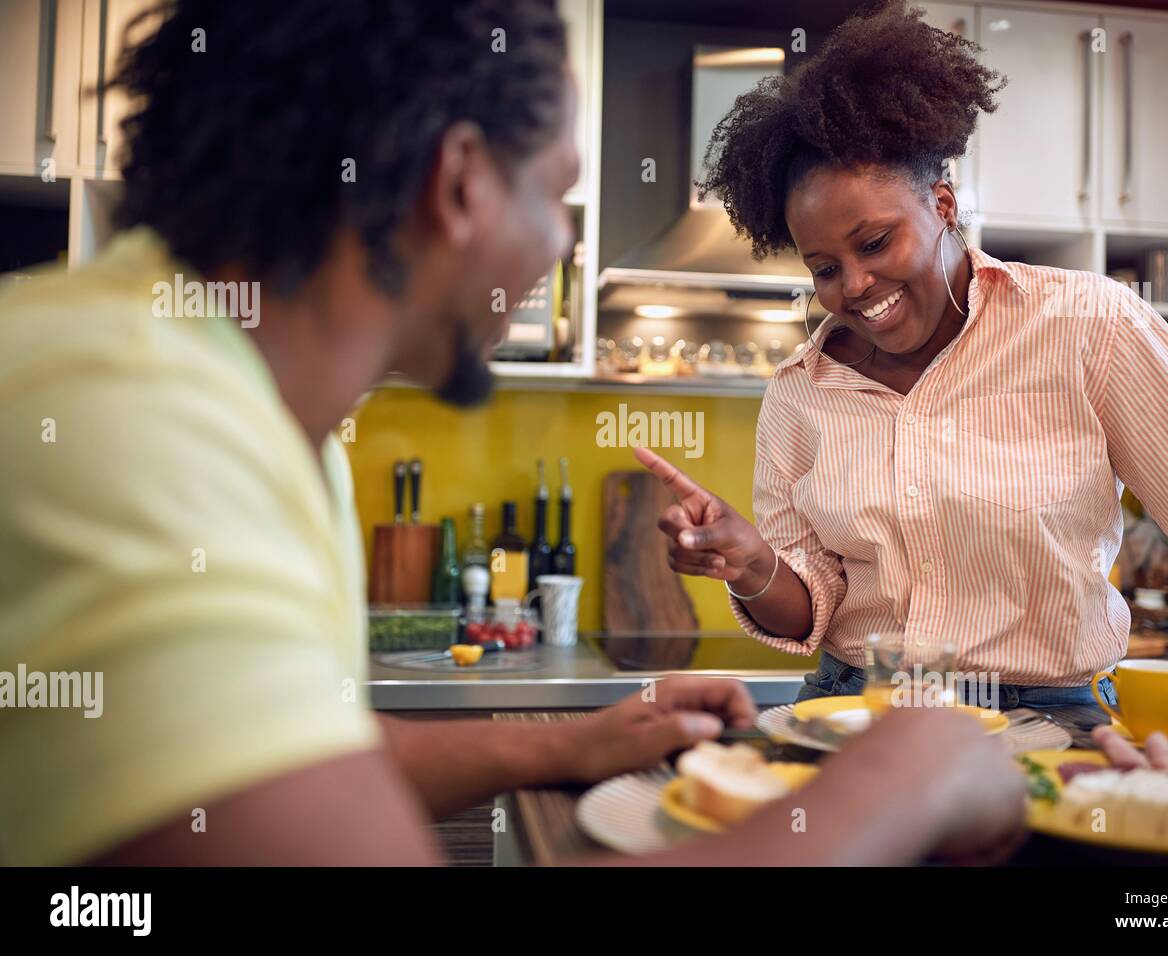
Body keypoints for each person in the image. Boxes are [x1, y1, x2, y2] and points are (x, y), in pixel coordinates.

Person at [0, 0, 1027, 867]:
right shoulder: (136, 420)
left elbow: (300, 745)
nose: (558, 247)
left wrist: (578, 741)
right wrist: (907, 774)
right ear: (459, 186)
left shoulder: (228, 394)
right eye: (557, 197)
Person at [641, 0, 1168, 707]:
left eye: (873, 243)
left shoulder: (1087, 325)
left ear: (944, 204)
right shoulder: (802, 389)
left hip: (1044, 719)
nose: (854, 286)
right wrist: (749, 563)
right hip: (851, 710)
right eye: (824, 267)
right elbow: (812, 612)